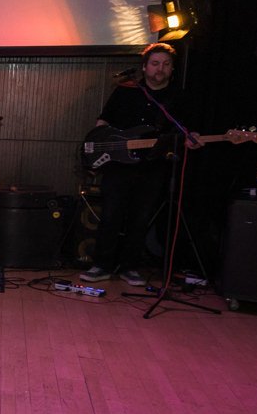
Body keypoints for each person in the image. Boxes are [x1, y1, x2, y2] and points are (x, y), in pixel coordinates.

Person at [81, 43, 200, 286]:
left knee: (141, 217)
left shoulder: (179, 97)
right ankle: (101, 265)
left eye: (166, 65)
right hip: (118, 165)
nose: (160, 69)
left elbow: (188, 129)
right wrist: (104, 142)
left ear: (172, 69)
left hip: (153, 166)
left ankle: (130, 267)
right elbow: (103, 121)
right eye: (155, 63)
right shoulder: (126, 91)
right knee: (111, 215)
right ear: (144, 67)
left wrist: (192, 140)